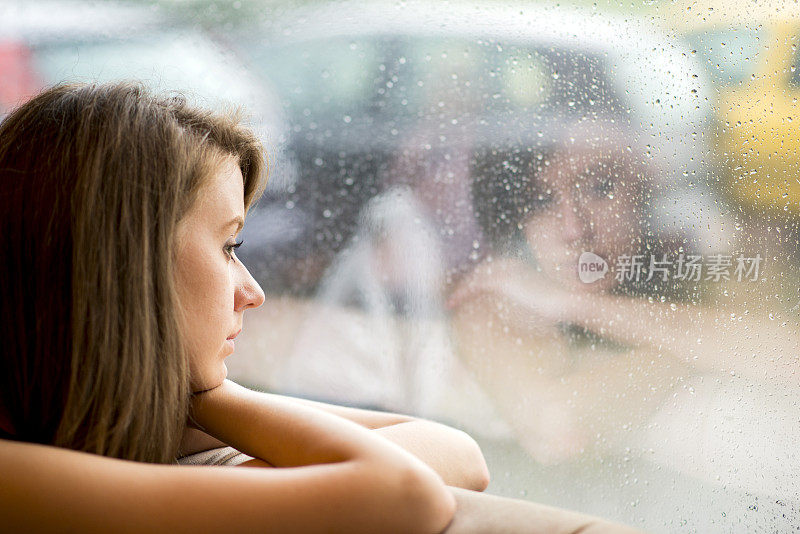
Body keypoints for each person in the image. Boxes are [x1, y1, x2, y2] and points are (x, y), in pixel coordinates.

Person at [0, 82, 645, 533]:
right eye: (229, 247)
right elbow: (403, 495)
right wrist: (220, 403)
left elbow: (458, 454)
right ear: (122, 266)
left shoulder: (140, 418)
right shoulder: (18, 479)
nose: (252, 290)